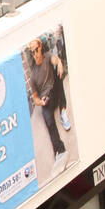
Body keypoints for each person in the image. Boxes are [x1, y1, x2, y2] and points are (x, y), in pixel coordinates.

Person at [26, 37, 67, 166]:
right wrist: (40, 102)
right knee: (48, 119)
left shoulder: (48, 56)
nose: (35, 54)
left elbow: (55, 60)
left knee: (58, 77)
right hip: (46, 99)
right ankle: (60, 150)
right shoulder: (33, 75)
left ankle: (63, 111)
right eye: (32, 52)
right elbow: (35, 97)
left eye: (36, 50)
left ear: (41, 48)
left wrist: (59, 63)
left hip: (54, 89)